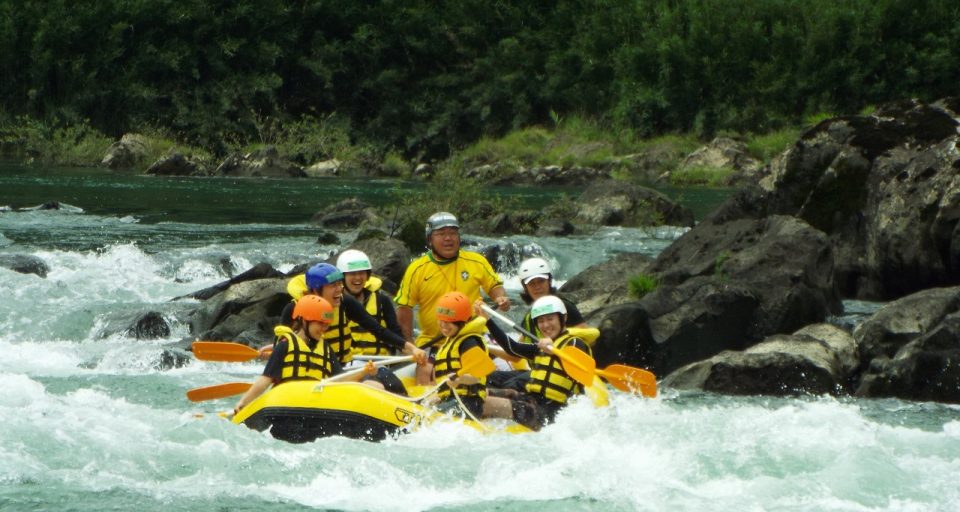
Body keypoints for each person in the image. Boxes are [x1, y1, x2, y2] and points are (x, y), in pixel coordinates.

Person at [394, 211, 509, 382]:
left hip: (475, 334)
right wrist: (409, 343)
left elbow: (494, 287)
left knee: (505, 366)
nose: (448, 238)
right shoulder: (417, 269)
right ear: (430, 239)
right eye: (441, 234)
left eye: (453, 233)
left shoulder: (476, 261)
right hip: (435, 341)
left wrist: (501, 298)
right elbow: (404, 308)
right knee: (424, 372)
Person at [271, 263, 425, 367]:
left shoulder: (345, 302)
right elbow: (279, 348)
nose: (339, 289)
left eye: (340, 284)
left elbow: (378, 330)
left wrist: (412, 348)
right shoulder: (293, 309)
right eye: (333, 286)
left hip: (342, 367)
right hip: (312, 369)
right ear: (316, 290)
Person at [480, 295, 593, 431]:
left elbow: (581, 371)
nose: (545, 325)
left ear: (563, 318)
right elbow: (512, 347)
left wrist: (555, 352)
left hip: (551, 412)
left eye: (550, 319)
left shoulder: (575, 343)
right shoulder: (542, 347)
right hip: (531, 400)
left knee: (484, 403)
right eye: (541, 321)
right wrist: (487, 320)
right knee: (478, 393)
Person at [487, 257, 587, 391]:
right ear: (525, 287)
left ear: (549, 281)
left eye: (541, 281)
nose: (537, 287)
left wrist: (554, 343)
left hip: (558, 376)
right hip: (538, 370)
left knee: (512, 385)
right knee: (491, 377)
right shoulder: (531, 316)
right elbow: (515, 355)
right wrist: (487, 346)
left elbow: (586, 339)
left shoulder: (563, 307)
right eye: (532, 284)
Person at [234, 295, 341, 414]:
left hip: (314, 407)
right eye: (321, 323)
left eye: (327, 324)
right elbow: (265, 380)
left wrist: (364, 372)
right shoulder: (284, 346)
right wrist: (243, 403)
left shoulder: (327, 350)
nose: (324, 328)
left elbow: (340, 379)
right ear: (304, 321)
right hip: (286, 406)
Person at [424, 291, 491, 418]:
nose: (443, 326)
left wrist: (459, 379)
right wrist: (438, 397)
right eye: (441, 320)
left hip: (469, 403)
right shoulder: (451, 341)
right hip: (452, 399)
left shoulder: (469, 342)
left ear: (461, 322)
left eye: (448, 322)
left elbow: (477, 376)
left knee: (431, 416)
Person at [335, 249, 403, 356]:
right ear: (342, 277)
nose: (357, 278)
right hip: (348, 366)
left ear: (367, 275)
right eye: (352, 273)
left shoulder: (382, 301)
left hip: (380, 363)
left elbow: (396, 333)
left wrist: (410, 350)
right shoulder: (334, 303)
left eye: (362, 273)